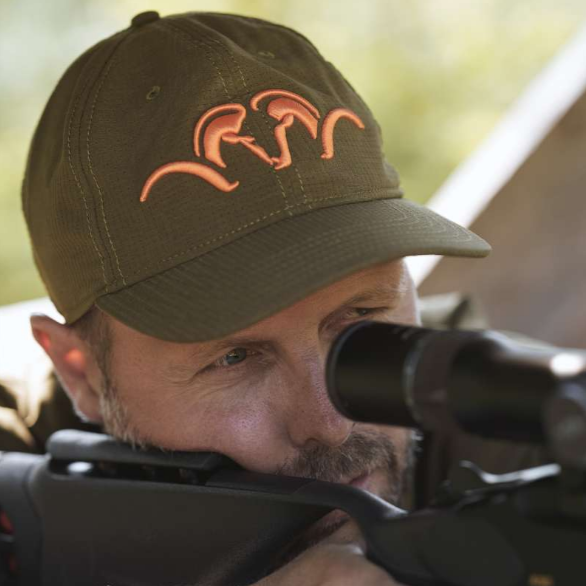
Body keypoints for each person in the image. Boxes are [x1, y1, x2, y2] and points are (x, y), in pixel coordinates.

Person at [17, 10, 491, 585]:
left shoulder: (515, 421)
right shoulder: (21, 497)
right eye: (235, 357)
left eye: (362, 318)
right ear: (82, 372)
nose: (330, 423)